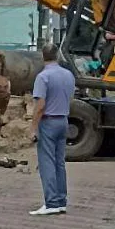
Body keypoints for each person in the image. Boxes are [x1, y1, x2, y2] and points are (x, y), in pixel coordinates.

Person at [29, 43, 76, 216]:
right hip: (63, 119)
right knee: (59, 162)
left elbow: (40, 105)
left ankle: (51, 202)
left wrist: (33, 127)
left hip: (48, 121)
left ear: (43, 56)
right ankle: (61, 200)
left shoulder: (43, 77)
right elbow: (70, 96)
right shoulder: (68, 75)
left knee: (47, 162)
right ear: (57, 56)